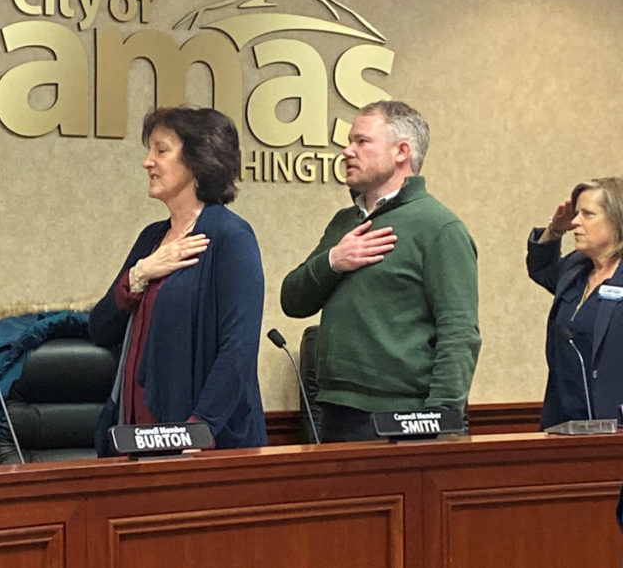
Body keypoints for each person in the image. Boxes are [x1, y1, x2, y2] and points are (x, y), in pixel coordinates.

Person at [280, 100, 481, 442]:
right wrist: (333, 261)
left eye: (361, 141)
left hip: (403, 417)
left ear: (401, 151)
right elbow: (293, 301)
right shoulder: (344, 223)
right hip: (334, 410)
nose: (346, 151)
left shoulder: (439, 227)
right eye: (349, 141)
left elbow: (459, 333)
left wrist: (440, 422)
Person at [89, 106, 267, 454]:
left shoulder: (230, 237)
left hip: (200, 446)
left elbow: (238, 350)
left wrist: (197, 431)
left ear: (197, 159)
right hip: (135, 439)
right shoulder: (151, 239)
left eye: (161, 149)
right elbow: (100, 328)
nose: (147, 162)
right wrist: (139, 274)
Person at [527, 177, 623, 429]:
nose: (576, 222)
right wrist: (555, 229)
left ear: (617, 220)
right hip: (564, 420)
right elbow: (541, 266)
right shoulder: (575, 267)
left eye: (588, 214)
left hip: (614, 425)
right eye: (576, 213)